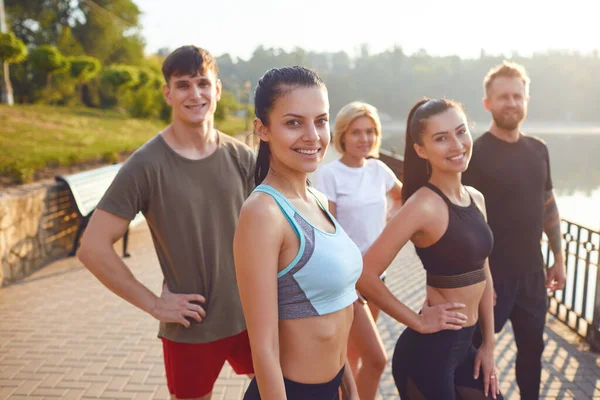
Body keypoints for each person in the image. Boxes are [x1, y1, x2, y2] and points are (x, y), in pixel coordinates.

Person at [77, 45, 256, 400]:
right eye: (184, 85)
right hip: (191, 323)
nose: (195, 94)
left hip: (254, 314)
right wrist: (155, 305)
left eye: (203, 83)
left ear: (217, 90)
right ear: (168, 93)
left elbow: (288, 221)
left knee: (284, 389)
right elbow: (92, 248)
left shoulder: (241, 156)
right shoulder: (146, 165)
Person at [357, 98, 503, 399]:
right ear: (421, 150)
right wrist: (417, 320)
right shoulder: (422, 205)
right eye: (441, 138)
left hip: (468, 349)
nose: (457, 144)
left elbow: (484, 275)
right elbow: (365, 275)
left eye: (460, 132)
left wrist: (488, 346)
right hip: (427, 356)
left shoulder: (476, 198)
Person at [234, 66, 361, 400]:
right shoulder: (263, 212)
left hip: (331, 387)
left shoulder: (316, 197)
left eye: (320, 121)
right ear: (262, 129)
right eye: (294, 122)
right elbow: (263, 346)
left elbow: (335, 309)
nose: (313, 135)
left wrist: (348, 385)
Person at [463, 61, 566, 400]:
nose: (511, 103)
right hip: (493, 279)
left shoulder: (539, 150)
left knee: (532, 353)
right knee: (473, 357)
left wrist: (559, 258)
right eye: (503, 96)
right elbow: (464, 222)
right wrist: (480, 277)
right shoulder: (474, 153)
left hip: (533, 275)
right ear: (487, 103)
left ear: (526, 100)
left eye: (517, 96)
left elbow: (548, 207)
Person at [314, 101, 403, 400]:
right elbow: (331, 233)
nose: (364, 138)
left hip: (378, 277)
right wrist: (352, 277)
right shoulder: (330, 174)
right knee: (352, 355)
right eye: (356, 132)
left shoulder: (379, 169)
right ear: (342, 135)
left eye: (370, 132)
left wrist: (390, 225)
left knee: (363, 353)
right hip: (349, 281)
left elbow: (403, 199)